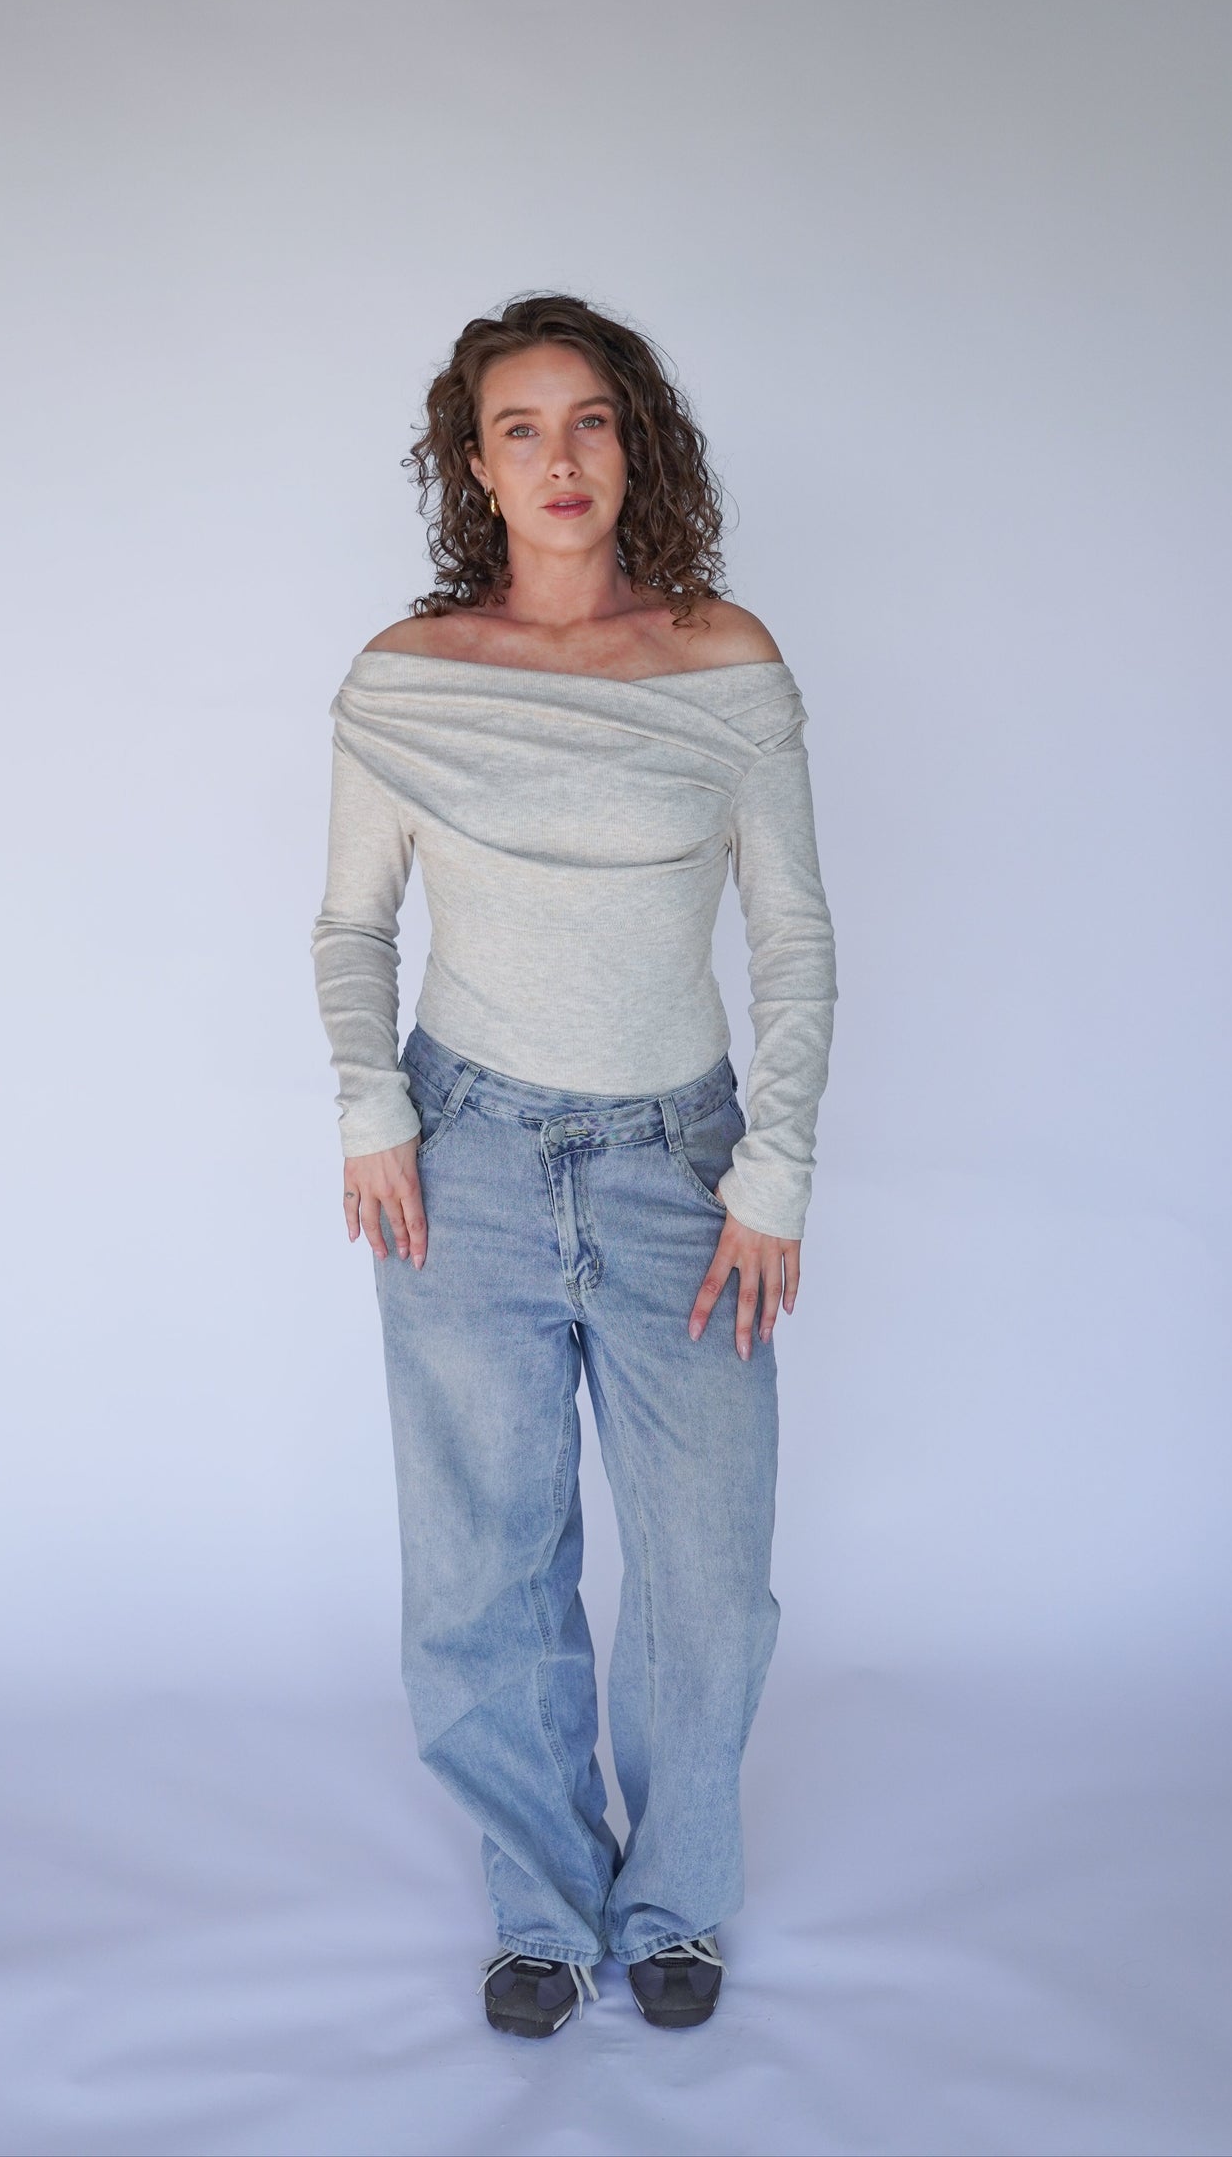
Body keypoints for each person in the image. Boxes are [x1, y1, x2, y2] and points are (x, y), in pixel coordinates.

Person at [310, 293, 837, 2038]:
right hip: (460, 1159)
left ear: (638, 445)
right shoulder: (409, 672)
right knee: (482, 1572)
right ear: (472, 464)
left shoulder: (724, 656)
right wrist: (368, 1109)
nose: (560, 458)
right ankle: (539, 1909)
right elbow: (348, 927)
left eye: (592, 420)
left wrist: (771, 1174)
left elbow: (792, 939)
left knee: (704, 1574)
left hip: (678, 1167)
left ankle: (673, 1899)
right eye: (521, 427)